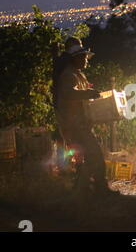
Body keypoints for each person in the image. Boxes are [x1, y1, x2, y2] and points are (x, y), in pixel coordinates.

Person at [55, 42, 114, 195]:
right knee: (95, 155)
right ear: (77, 58)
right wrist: (89, 93)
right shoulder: (69, 75)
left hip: (78, 123)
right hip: (76, 125)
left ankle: (82, 190)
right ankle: (100, 188)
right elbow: (69, 94)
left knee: (85, 158)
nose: (87, 60)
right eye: (84, 57)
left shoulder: (76, 74)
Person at [51, 37, 82, 169]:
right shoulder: (67, 62)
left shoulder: (61, 60)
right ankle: (71, 168)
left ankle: (65, 167)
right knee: (71, 137)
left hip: (60, 103)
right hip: (66, 105)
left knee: (63, 137)